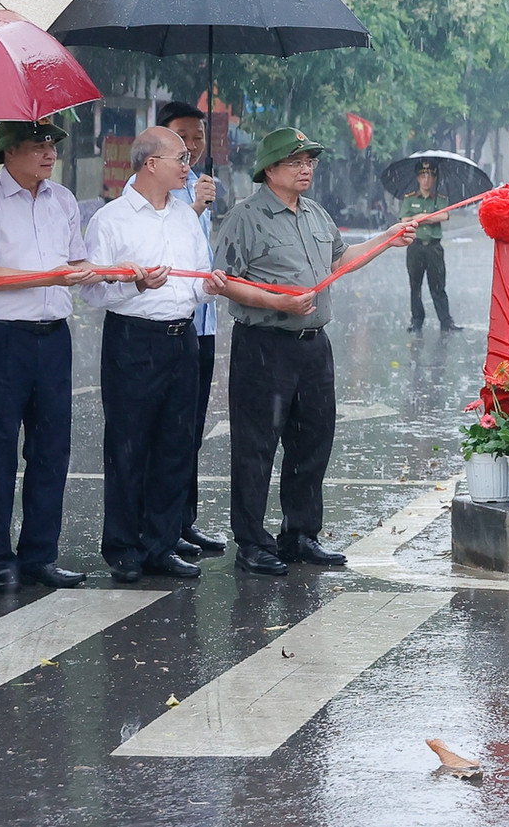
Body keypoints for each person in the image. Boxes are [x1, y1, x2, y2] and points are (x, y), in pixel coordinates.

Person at [210, 128, 413, 576]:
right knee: (256, 447)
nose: (306, 170)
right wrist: (277, 300)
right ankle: (252, 542)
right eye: (296, 162)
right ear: (270, 169)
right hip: (264, 345)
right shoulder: (245, 217)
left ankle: (300, 534)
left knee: (313, 442)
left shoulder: (316, 215)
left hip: (312, 346)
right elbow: (220, 280)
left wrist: (388, 237)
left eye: (310, 162)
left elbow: (340, 261)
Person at [0, 120, 114, 593]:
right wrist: (48, 277)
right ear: (8, 152)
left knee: (51, 450)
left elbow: (75, 261)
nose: (48, 154)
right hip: (2, 339)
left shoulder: (63, 199)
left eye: (51, 145)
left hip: (53, 337)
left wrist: (116, 274)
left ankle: (40, 554)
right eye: (37, 146)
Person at [82, 125, 215, 583]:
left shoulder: (185, 217)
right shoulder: (112, 220)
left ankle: (161, 544)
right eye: (180, 157)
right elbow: (92, 292)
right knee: (128, 444)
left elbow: (197, 277)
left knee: (176, 445)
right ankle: (122, 545)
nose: (189, 164)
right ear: (150, 163)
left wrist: (209, 286)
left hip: (183, 339)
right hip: (133, 340)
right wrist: (133, 283)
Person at [157, 99, 226, 557]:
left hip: (203, 325)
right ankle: (161, 526)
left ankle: (185, 519)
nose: (193, 147)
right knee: (167, 429)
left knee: (192, 427)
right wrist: (198, 208)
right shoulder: (156, 188)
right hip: (169, 325)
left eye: (199, 137)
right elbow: (171, 249)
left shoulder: (198, 185)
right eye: (184, 137)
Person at [400, 160, 458, 332]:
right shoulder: (410, 199)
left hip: (434, 247)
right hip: (415, 247)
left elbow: (444, 216)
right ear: (418, 178)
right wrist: (429, 216)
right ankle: (416, 321)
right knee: (415, 286)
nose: (426, 179)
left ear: (434, 179)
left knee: (438, 286)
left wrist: (418, 217)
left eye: (430, 176)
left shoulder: (439, 199)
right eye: (423, 176)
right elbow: (404, 220)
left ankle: (446, 322)